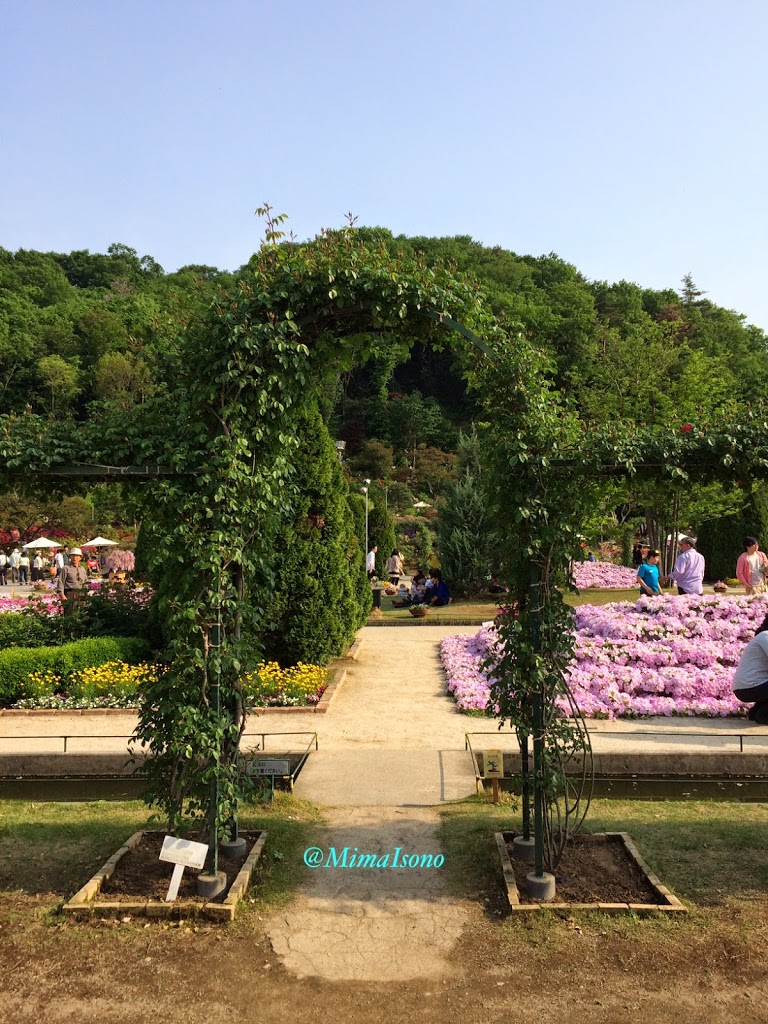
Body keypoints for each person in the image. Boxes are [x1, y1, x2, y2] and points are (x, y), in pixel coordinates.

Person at [733, 613, 768, 724]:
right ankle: (763, 715)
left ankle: (756, 712)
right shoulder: (766, 636)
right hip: (751, 687)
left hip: (750, 686)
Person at [57, 547, 88, 612]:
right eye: (73, 556)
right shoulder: (66, 568)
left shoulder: (82, 569)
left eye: (77, 556)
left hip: (81, 594)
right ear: (70, 557)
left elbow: (85, 582)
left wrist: (86, 593)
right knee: (70, 613)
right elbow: (60, 582)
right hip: (69, 594)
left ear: (80, 558)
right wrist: (62, 595)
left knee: (81, 613)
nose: (74, 558)